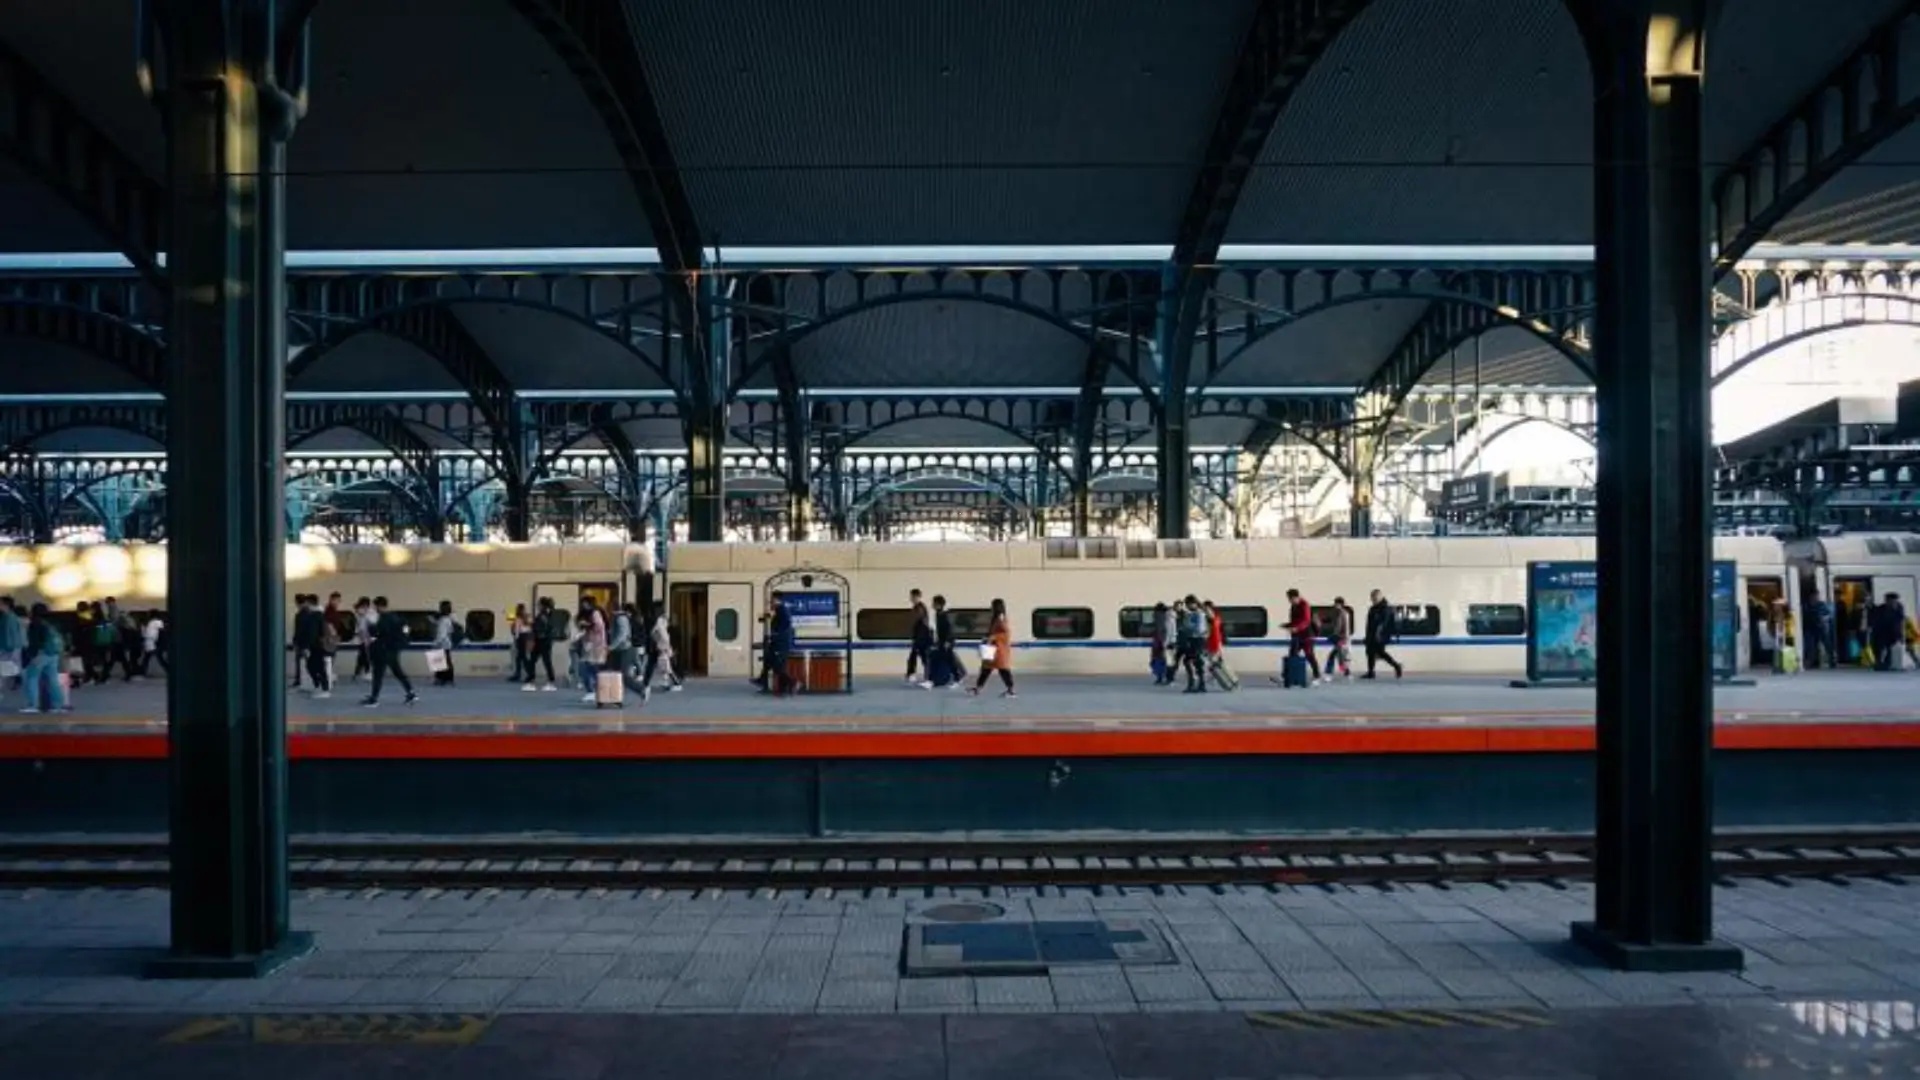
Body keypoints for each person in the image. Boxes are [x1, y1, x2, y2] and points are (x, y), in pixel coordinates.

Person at [361, 596, 417, 707]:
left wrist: (371, 624)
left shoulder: (383, 618)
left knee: (378, 675)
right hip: (394, 650)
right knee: (398, 672)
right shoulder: (395, 617)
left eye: (375, 606)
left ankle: (374, 699)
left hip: (382, 650)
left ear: (379, 606)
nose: (375, 609)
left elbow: (376, 633)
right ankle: (411, 693)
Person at [19, 603, 67, 714]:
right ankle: (58, 705)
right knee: (53, 679)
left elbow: (34, 642)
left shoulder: (35, 623)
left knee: (32, 678)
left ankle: (32, 705)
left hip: (40, 654)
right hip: (53, 654)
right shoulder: (50, 623)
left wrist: (32, 656)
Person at [968, 598, 1015, 698]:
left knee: (1003, 670)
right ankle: (978, 688)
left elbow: (1006, 633)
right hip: (993, 649)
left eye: (993, 606)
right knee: (986, 669)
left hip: (999, 650)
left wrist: (993, 637)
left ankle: (1011, 690)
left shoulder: (1001, 617)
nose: (991, 608)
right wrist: (988, 637)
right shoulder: (996, 618)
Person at [639, 604, 682, 700]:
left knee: (664, 666)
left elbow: (662, 636)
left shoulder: (659, 621)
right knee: (660, 666)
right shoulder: (663, 621)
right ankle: (649, 683)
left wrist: (663, 646)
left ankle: (676, 683)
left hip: (659, 647)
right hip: (659, 647)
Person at [292, 594, 331, 698]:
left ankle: (324, 689)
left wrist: (306, 647)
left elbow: (312, 633)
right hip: (317, 645)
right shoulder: (317, 614)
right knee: (313, 666)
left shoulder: (315, 615)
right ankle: (319, 686)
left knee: (317, 667)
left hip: (315, 646)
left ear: (309, 603)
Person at [1283, 588, 1321, 684]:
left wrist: (1297, 628)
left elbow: (1306, 620)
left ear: (1296, 597)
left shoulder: (1305, 605)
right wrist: (1288, 625)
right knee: (1292, 654)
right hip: (1297, 635)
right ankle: (1289, 675)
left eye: (1290, 599)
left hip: (1307, 635)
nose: (1289, 601)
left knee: (1309, 655)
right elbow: (1294, 620)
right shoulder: (1293, 606)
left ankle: (1317, 676)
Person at [1364, 589, 1403, 679]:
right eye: (1372, 597)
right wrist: (1367, 635)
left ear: (1380, 596)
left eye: (1374, 597)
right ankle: (1371, 672)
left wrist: (1378, 633)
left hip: (1381, 635)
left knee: (1381, 653)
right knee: (1370, 652)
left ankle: (1396, 666)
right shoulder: (1373, 608)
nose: (1373, 599)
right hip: (1372, 634)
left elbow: (1383, 623)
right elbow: (1369, 623)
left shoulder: (1385, 608)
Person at [575, 598, 608, 702]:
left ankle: (593, 691)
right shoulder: (587, 615)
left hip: (596, 645)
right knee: (590, 667)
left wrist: (587, 625)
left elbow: (599, 627)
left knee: (588, 668)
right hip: (589, 644)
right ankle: (594, 690)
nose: (584, 606)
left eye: (586, 604)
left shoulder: (595, 613)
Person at [527, 596, 562, 691]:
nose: (538, 606)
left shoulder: (543, 615)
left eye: (539, 604)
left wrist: (532, 626)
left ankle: (534, 681)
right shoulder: (548, 614)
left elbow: (541, 628)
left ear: (542, 605)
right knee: (542, 661)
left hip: (542, 640)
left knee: (539, 660)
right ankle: (537, 680)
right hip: (544, 640)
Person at [763, 596, 796, 696]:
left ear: (776, 601)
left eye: (771, 602)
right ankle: (782, 689)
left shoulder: (781, 610)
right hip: (779, 643)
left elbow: (785, 625)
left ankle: (792, 683)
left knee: (778, 666)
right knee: (773, 663)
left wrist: (776, 635)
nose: (770, 605)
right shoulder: (779, 610)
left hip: (781, 643)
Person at [932, 594, 964, 689]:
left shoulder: (944, 615)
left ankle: (958, 678)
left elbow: (949, 630)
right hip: (942, 641)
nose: (932, 605)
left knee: (950, 660)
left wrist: (947, 641)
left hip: (947, 642)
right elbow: (939, 630)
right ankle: (959, 674)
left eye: (934, 603)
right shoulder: (938, 614)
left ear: (939, 604)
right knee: (947, 659)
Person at [906, 588, 934, 688]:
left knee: (924, 659)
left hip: (922, 638)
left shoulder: (920, 608)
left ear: (917, 597)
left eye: (913, 597)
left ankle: (928, 679)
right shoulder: (917, 607)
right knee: (914, 657)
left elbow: (919, 623)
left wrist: (918, 638)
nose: (911, 598)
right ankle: (912, 674)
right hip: (919, 637)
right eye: (911, 596)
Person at [1871, 592, 1905, 672]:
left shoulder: (1899, 608)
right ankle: (1879, 663)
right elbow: (1876, 620)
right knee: (1879, 648)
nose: (1892, 602)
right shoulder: (1880, 608)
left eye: (1894, 600)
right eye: (1889, 600)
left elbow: (1900, 621)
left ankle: (1888, 663)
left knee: (1891, 649)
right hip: (1881, 633)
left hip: (1893, 633)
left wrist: (1900, 635)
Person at [1324, 597, 1353, 682]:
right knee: (1339, 656)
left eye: (1336, 603)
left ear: (1341, 604)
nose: (1335, 605)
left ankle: (1330, 673)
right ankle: (1346, 673)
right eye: (1335, 603)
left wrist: (1344, 639)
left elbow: (1343, 628)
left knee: (1335, 656)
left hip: (1341, 638)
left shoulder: (1343, 614)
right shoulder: (1337, 613)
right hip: (1339, 638)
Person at [431, 600, 459, 686]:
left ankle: (440, 679)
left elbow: (441, 633)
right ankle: (448, 679)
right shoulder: (450, 618)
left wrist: (436, 643)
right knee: (447, 661)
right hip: (447, 643)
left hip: (441, 643)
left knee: (438, 661)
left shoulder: (443, 619)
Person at [0, 597, 22, 694]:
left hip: (7, 648)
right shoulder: (11, 617)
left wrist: (7, 648)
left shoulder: (7, 618)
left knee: (3, 672)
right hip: (10, 648)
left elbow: (8, 634)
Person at [1150, 601, 1174, 686]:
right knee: (1166, 661)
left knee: (1160, 661)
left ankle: (1161, 678)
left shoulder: (1162, 618)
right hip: (1163, 642)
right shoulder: (1167, 618)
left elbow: (1161, 631)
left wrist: (1163, 642)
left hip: (1160, 643)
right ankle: (1167, 678)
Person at [509, 603, 533, 685]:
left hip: (523, 638)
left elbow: (528, 627)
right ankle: (519, 674)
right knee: (519, 658)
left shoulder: (525, 618)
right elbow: (515, 629)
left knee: (522, 657)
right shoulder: (517, 618)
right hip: (519, 638)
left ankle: (529, 674)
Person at [140, 609, 168, 676]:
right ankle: (143, 671)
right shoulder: (154, 622)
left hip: (153, 642)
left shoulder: (156, 622)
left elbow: (161, 631)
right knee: (153, 658)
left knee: (152, 658)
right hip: (152, 642)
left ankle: (143, 671)